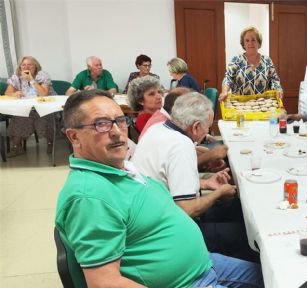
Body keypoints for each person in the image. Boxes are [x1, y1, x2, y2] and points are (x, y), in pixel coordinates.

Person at [56, 89, 263, 288]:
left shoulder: (119, 168)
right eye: (101, 124)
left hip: (202, 265)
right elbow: (104, 283)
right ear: (74, 137)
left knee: (275, 276)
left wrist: (204, 183)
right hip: (187, 282)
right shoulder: (89, 197)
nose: (117, 132)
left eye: (120, 120)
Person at [132, 93, 255, 261]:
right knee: (247, 235)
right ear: (196, 126)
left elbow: (166, 180)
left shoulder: (157, 129)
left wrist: (205, 183)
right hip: (169, 233)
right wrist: (219, 193)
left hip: (152, 216)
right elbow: (187, 210)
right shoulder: (181, 145)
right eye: (207, 128)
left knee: (237, 207)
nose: (207, 133)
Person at [4, 56, 57, 157]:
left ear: (35, 67)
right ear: (20, 68)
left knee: (45, 116)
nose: (26, 67)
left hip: (45, 106)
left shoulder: (42, 75)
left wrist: (32, 80)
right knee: (19, 116)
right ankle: (17, 147)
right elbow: (7, 93)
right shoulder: (16, 77)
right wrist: (14, 94)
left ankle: (51, 143)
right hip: (26, 107)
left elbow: (44, 94)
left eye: (29, 65)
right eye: (23, 65)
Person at [219, 26, 283, 101]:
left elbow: (274, 79)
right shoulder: (236, 60)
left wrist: (278, 89)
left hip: (263, 105)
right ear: (243, 44)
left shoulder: (267, 60)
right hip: (239, 106)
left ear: (258, 43)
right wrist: (224, 92)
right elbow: (228, 78)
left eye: (253, 40)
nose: (250, 43)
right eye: (247, 40)